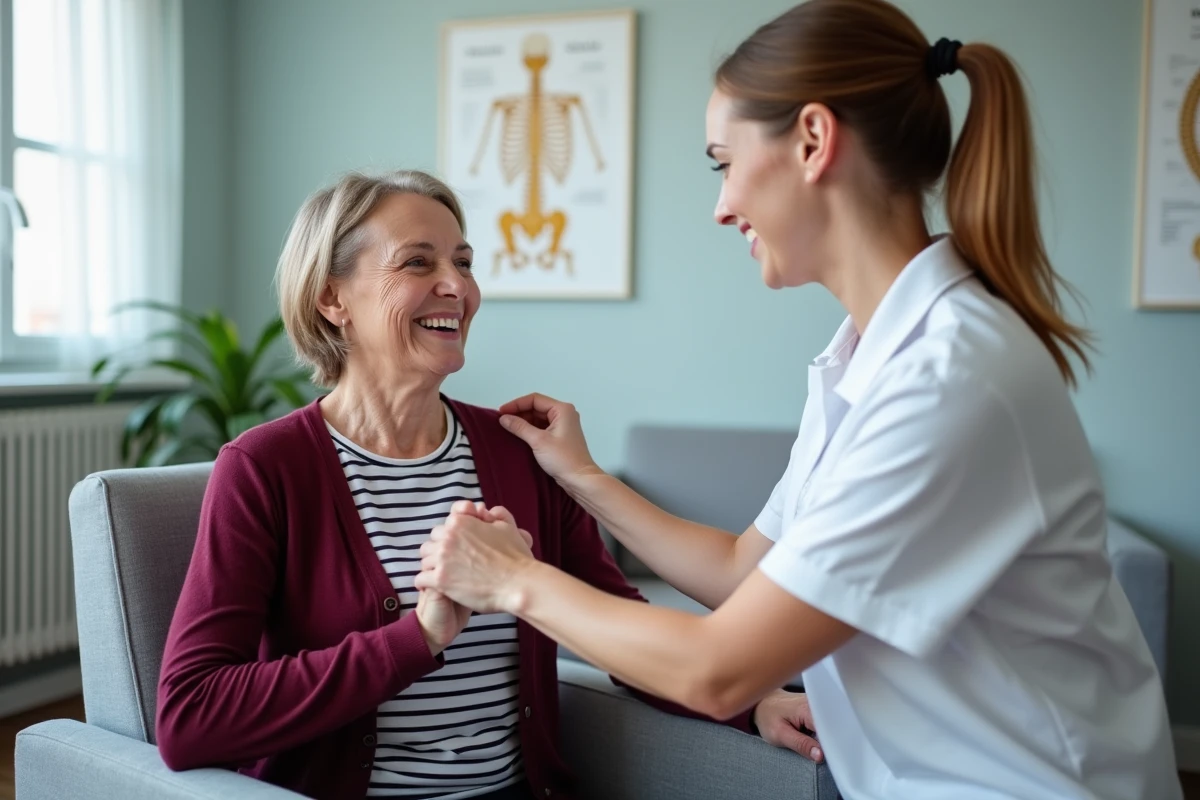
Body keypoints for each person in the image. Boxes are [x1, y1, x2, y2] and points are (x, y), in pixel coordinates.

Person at [414, 1, 1183, 798]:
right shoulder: (865, 353)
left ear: (813, 140)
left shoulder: (948, 378)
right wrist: (584, 476)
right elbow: (749, 571)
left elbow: (717, 669)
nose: (720, 206)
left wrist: (513, 580)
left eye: (723, 162)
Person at [154, 170, 802, 800]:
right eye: (417, 263)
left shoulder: (519, 450)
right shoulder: (266, 468)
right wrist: (419, 637)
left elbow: (620, 628)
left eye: (464, 263)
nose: (456, 286)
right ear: (333, 299)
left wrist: (750, 707)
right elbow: (190, 718)